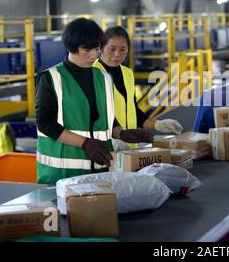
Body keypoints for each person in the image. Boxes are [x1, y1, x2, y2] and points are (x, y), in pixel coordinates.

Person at [35, 18, 154, 184]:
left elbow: (106, 118)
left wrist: (121, 133)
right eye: (87, 50)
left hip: (100, 170)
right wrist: (85, 143)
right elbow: (44, 123)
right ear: (72, 47)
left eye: (97, 49)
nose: (93, 55)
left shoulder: (104, 78)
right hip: (61, 175)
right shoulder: (51, 78)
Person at [93, 26, 183, 151]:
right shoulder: (92, 74)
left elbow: (133, 110)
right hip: (103, 148)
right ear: (101, 48)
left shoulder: (127, 74)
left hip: (129, 146)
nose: (117, 55)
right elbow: (90, 115)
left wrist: (157, 124)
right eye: (112, 49)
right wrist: (111, 138)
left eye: (123, 49)